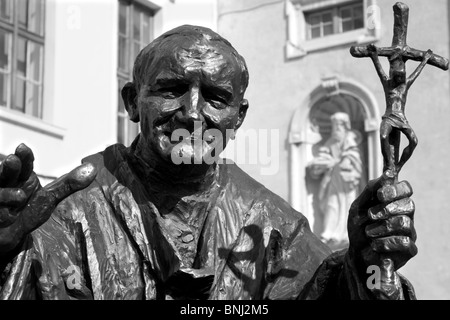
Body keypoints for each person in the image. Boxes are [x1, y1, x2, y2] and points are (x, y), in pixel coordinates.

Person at [0, 25, 417, 300]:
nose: (193, 113)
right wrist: (4, 254)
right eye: (172, 89)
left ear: (239, 115)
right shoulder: (66, 214)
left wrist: (367, 265)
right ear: (132, 102)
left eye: (216, 97)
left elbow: (329, 293)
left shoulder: (273, 225)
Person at [308, 112, 364, 248]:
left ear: (345, 126)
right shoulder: (331, 142)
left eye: (338, 125)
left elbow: (353, 158)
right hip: (333, 180)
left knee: (349, 205)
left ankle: (347, 234)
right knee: (331, 205)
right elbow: (323, 156)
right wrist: (321, 163)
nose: (336, 129)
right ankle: (329, 233)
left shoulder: (350, 138)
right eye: (334, 125)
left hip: (347, 181)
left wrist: (336, 162)